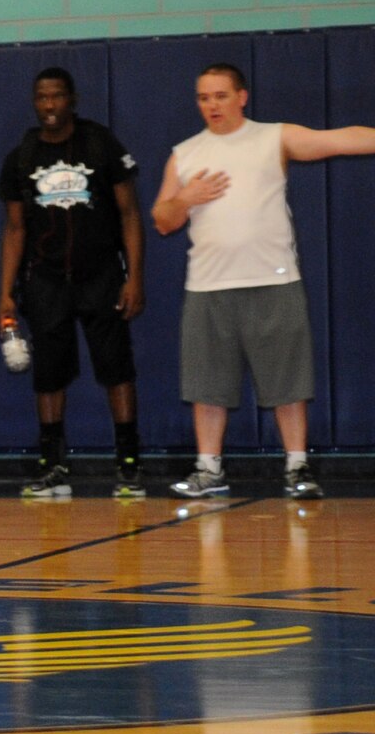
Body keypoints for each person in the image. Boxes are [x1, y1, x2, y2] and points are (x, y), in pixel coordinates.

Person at [150, 62, 374, 501]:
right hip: (208, 286)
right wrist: (184, 198)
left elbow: (337, 139)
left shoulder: (273, 137)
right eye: (203, 97)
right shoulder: (185, 153)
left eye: (219, 96)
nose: (211, 105)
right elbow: (162, 219)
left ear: (241, 97)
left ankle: (296, 466)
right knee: (207, 386)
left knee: (286, 382)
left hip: (273, 280)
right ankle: (209, 469)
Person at [0, 68, 146, 500]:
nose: (48, 105)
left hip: (100, 276)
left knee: (116, 367)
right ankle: (53, 465)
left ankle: (128, 464)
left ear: (72, 100)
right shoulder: (22, 157)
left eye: (57, 97)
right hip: (45, 280)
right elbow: (14, 229)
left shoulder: (99, 144)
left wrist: (134, 276)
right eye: (41, 97)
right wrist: (5, 291)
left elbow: (130, 214)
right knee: (48, 374)